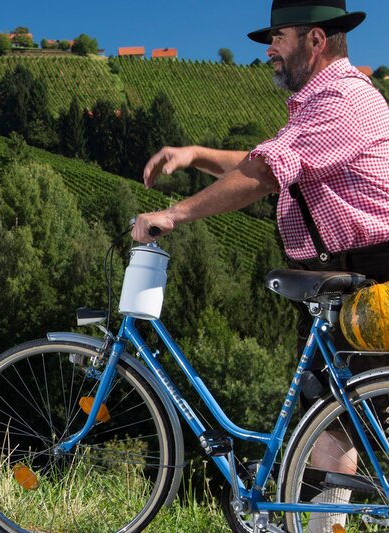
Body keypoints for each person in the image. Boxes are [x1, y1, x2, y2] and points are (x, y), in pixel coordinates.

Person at [133, 1, 388, 531]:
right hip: (334, 279)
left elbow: (267, 172)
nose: (268, 50)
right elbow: (272, 160)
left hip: (363, 280)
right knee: (334, 425)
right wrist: (196, 153)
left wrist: (174, 214)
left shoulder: (342, 101)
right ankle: (324, 526)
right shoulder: (317, 104)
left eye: (278, 37)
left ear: (315, 40)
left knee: (346, 422)